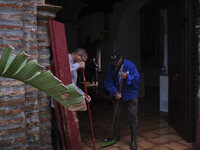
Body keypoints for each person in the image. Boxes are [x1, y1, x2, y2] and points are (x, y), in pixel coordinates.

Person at [104, 50, 140, 150]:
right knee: (116, 115)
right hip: (118, 95)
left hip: (131, 95)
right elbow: (107, 82)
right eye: (113, 62)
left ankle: (133, 141)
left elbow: (137, 79)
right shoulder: (111, 67)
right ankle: (116, 136)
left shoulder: (130, 65)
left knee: (132, 116)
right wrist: (114, 92)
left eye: (116, 61)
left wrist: (128, 76)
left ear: (121, 58)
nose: (115, 64)